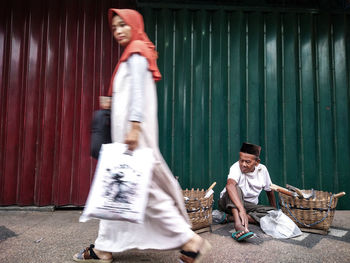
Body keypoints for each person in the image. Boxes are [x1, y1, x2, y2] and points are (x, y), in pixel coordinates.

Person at [73, 8, 211, 263]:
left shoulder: (136, 53)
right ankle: (105, 246)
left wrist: (134, 127)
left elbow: (137, 94)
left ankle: (190, 241)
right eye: (114, 28)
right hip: (126, 136)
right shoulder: (133, 53)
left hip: (132, 137)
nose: (118, 31)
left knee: (141, 189)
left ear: (135, 26)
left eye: (123, 25)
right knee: (117, 189)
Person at [218, 142, 276, 242]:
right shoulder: (235, 167)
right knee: (235, 187)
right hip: (228, 202)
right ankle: (238, 224)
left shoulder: (263, 170)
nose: (243, 164)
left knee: (272, 214)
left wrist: (274, 209)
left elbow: (269, 190)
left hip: (249, 206)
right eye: (241, 161)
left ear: (257, 162)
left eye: (247, 162)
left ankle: (229, 218)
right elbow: (230, 185)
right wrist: (241, 209)